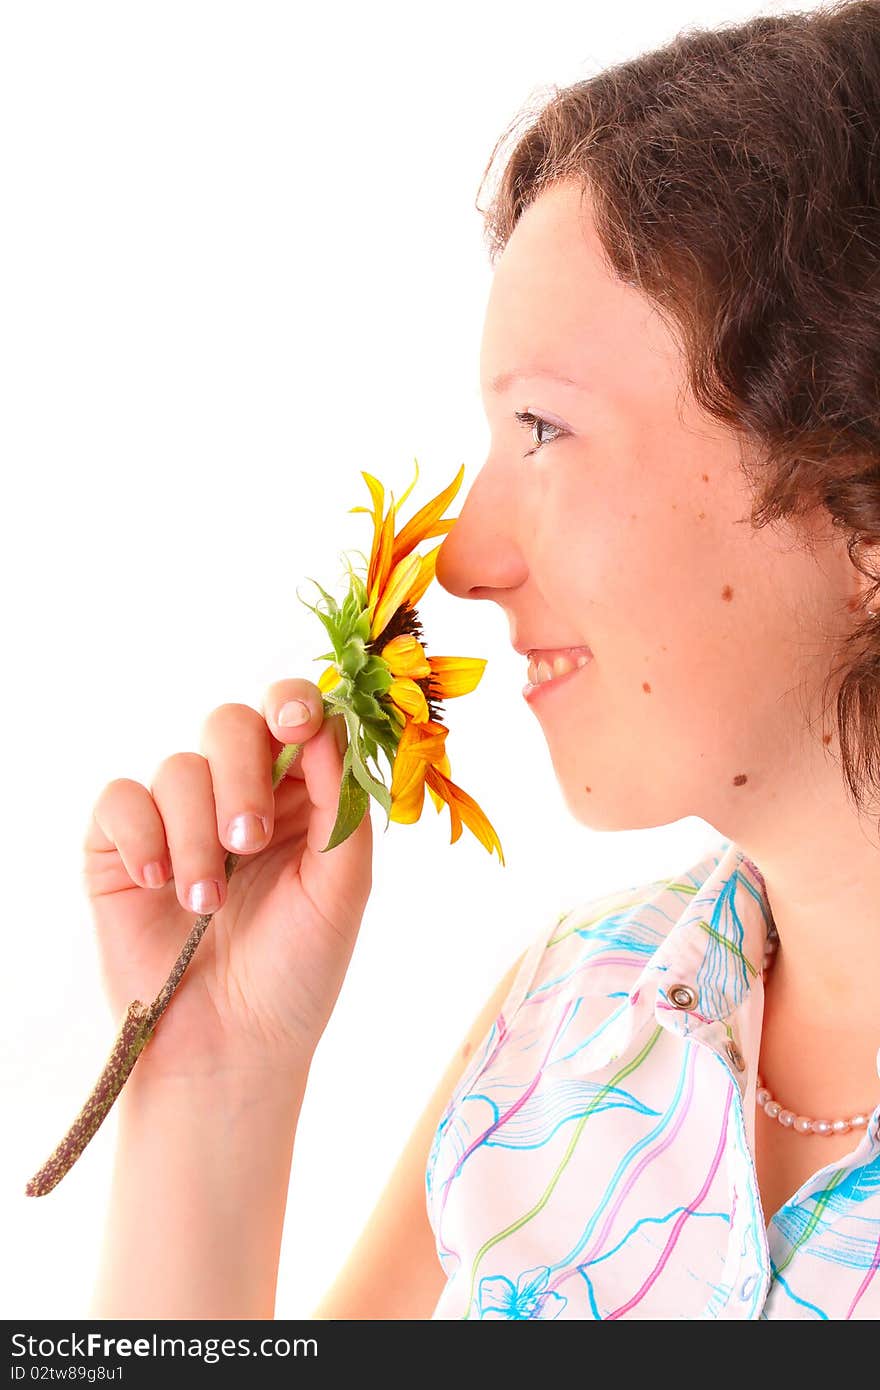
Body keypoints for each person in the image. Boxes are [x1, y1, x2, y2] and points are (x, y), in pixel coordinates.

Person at [89, 0, 880, 1319]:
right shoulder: (564, 1025)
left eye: (545, 429)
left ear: (854, 489)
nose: (458, 557)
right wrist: (213, 1084)